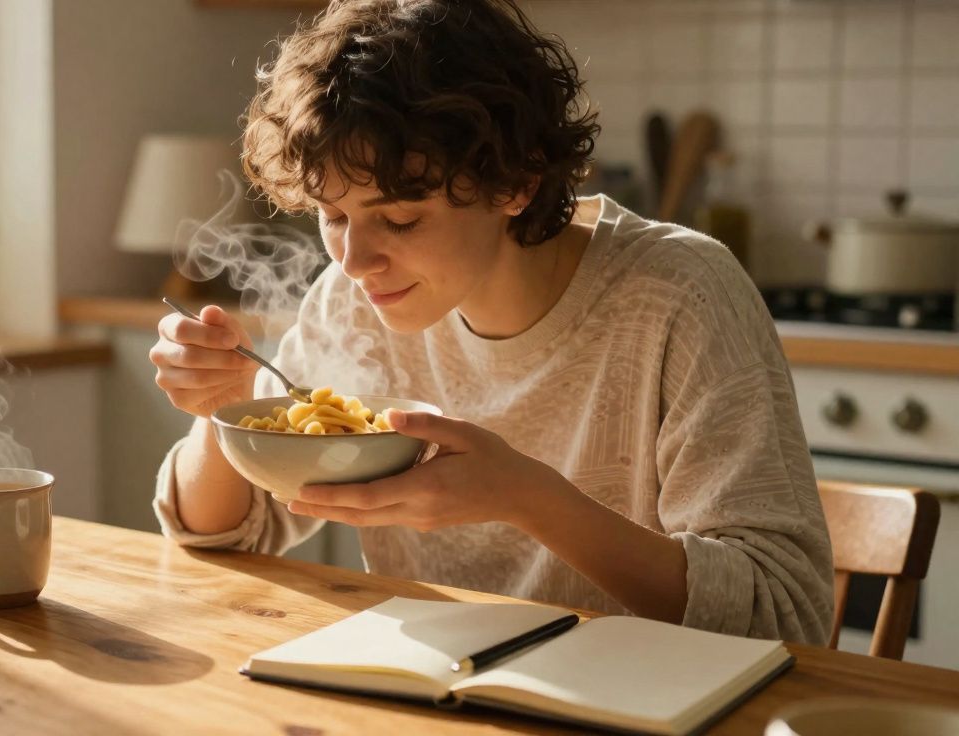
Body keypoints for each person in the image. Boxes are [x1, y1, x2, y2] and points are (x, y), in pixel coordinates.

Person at [148, 0, 833, 644]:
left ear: (516, 183)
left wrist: (525, 496)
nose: (355, 259)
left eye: (399, 219)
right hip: (426, 697)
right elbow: (223, 534)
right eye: (333, 217)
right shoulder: (355, 299)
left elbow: (782, 616)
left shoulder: (681, 296)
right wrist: (220, 411)